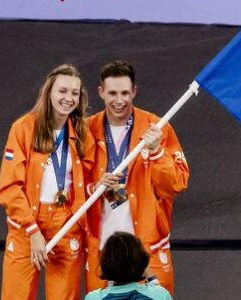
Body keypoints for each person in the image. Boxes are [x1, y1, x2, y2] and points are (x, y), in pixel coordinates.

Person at [83, 60, 189, 295]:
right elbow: (73, 187)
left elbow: (177, 184)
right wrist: (94, 187)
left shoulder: (158, 127)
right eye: (112, 93)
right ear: (101, 92)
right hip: (102, 250)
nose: (119, 100)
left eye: (124, 93)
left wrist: (157, 153)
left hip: (147, 247)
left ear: (134, 91)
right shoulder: (85, 130)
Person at [0, 64, 95, 299]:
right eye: (62, 91)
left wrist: (104, 185)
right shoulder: (23, 129)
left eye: (74, 93)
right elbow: (9, 187)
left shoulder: (82, 132)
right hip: (26, 227)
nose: (68, 98)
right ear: (49, 91)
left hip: (66, 224)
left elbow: (91, 179)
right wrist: (33, 232)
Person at [85, 231, 172, 300]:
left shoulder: (93, 298)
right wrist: (151, 276)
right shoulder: (160, 295)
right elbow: (158, 294)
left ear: (105, 263)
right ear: (143, 264)